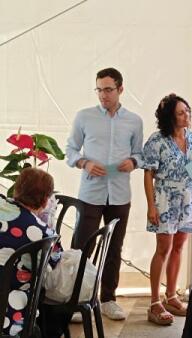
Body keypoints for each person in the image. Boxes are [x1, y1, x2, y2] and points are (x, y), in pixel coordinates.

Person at [65, 67, 143, 320]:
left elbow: (140, 154)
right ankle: (74, 298)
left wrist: (133, 161)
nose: (103, 95)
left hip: (120, 193)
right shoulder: (84, 117)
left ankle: (108, 298)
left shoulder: (134, 121)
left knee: (114, 248)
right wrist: (84, 163)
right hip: (90, 192)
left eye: (108, 89)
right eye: (99, 89)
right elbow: (71, 150)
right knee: (81, 246)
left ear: (120, 89)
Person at [142, 94, 192, 325]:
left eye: (188, 111)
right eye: (181, 112)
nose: (187, 116)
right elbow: (148, 174)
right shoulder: (157, 140)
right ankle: (155, 302)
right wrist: (151, 205)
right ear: (170, 116)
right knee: (163, 248)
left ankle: (171, 296)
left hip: (188, 196)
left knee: (179, 247)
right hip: (165, 197)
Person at [0, 168, 63, 337]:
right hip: (11, 317)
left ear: (16, 190)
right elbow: (54, 260)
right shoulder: (41, 232)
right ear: (45, 201)